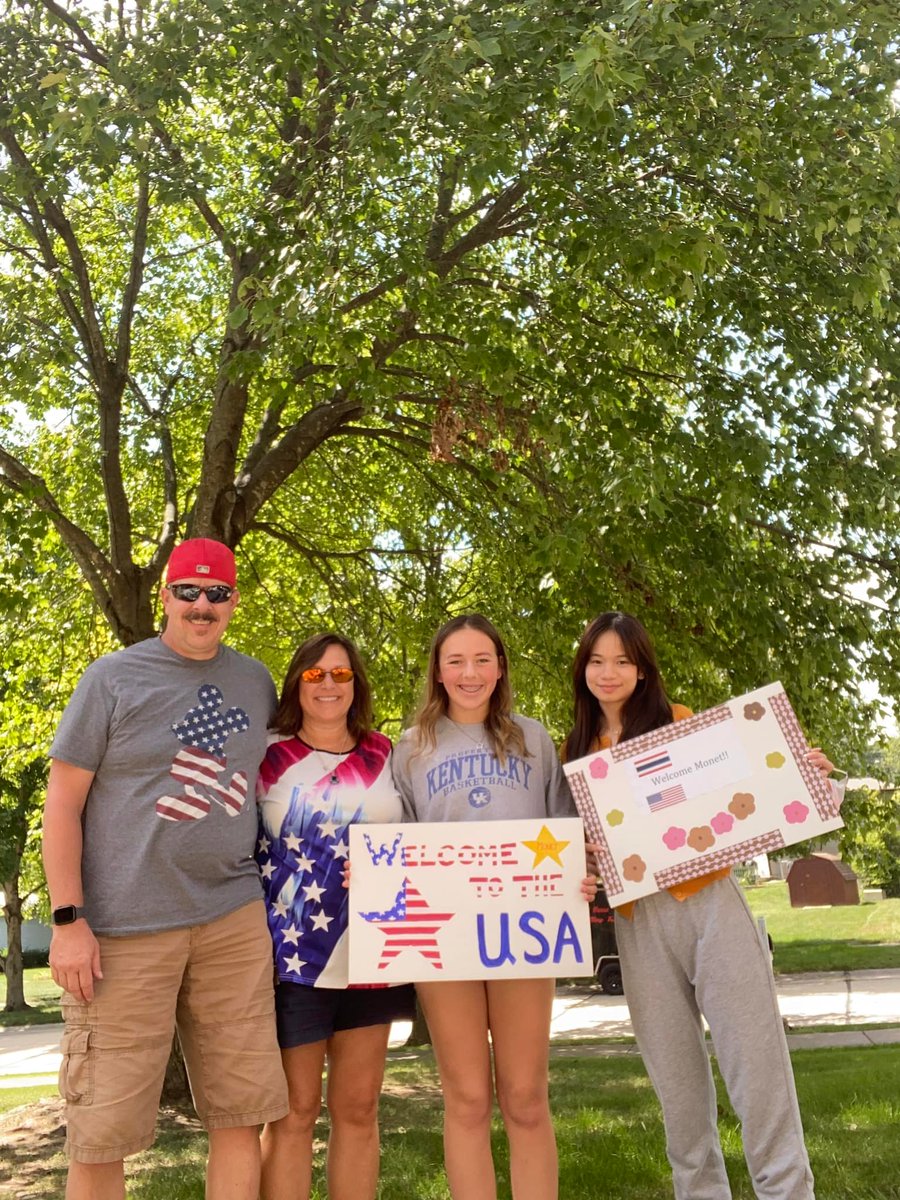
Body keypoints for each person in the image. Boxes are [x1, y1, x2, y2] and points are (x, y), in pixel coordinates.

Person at [563, 610, 841, 1200]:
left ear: (642, 671)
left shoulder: (681, 726)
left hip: (712, 905)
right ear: (582, 667)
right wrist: (581, 869)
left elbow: (752, 797)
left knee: (757, 1074)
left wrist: (805, 777)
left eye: (622, 660)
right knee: (679, 1092)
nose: (608, 672)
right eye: (596, 660)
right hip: (638, 925)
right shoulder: (577, 753)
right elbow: (585, 852)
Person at [43, 538, 288, 1200]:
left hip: (232, 921)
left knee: (242, 1115)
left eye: (216, 593)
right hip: (124, 930)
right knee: (103, 1130)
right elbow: (62, 804)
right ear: (166, 596)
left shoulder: (254, 681)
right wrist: (67, 919)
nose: (201, 605)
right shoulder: (113, 678)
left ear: (234, 600)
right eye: (188, 591)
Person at [392, 613, 597, 1200]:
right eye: (455, 660)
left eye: (482, 659)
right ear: (437, 670)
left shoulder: (532, 739)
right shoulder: (410, 749)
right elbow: (397, 842)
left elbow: (565, 833)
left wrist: (576, 877)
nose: (469, 672)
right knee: (467, 1098)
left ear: (500, 666)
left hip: (525, 932)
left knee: (526, 1097)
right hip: (446, 939)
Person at [256, 633, 416, 1200]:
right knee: (294, 1111)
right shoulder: (266, 755)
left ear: (357, 685)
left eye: (341, 675)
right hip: (293, 956)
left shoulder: (387, 754)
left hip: (372, 949)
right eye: (315, 674)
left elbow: (420, 845)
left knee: (359, 1107)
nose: (328, 685)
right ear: (297, 682)